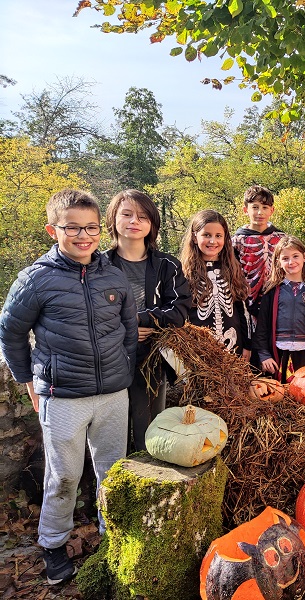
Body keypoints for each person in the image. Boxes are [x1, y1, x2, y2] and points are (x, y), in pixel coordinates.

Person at [0, 189, 137, 585]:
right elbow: (10, 333)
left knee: (111, 472)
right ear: (52, 230)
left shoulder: (113, 274)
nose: (83, 236)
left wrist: (123, 371)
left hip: (113, 393)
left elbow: (128, 329)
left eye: (91, 228)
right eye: (73, 228)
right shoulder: (36, 279)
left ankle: (113, 537)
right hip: (62, 397)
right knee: (63, 476)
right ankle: (54, 545)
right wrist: (27, 380)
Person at [104, 189, 191, 452]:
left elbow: (178, 312)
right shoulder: (99, 265)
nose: (134, 221)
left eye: (142, 216)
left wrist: (143, 322)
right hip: (109, 358)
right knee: (110, 433)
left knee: (149, 431)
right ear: (113, 220)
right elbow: (90, 313)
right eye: (127, 214)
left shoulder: (167, 265)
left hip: (151, 358)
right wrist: (131, 327)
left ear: (152, 223)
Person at [181, 210, 251, 357]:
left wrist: (247, 345)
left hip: (233, 349)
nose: (213, 241)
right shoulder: (183, 273)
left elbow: (241, 309)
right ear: (194, 237)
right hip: (198, 351)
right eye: (207, 235)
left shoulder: (232, 268)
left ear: (225, 238)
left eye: (218, 236)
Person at [253, 236, 305, 383]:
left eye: (295, 256)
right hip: (279, 351)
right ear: (278, 262)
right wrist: (264, 354)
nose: (291, 262)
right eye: (285, 258)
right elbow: (262, 326)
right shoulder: (272, 291)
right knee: (279, 395)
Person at [231, 185, 285, 329]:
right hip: (246, 302)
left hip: (277, 301)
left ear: (271, 210)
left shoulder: (282, 239)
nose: (260, 212)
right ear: (245, 210)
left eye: (265, 207)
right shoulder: (237, 241)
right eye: (255, 207)